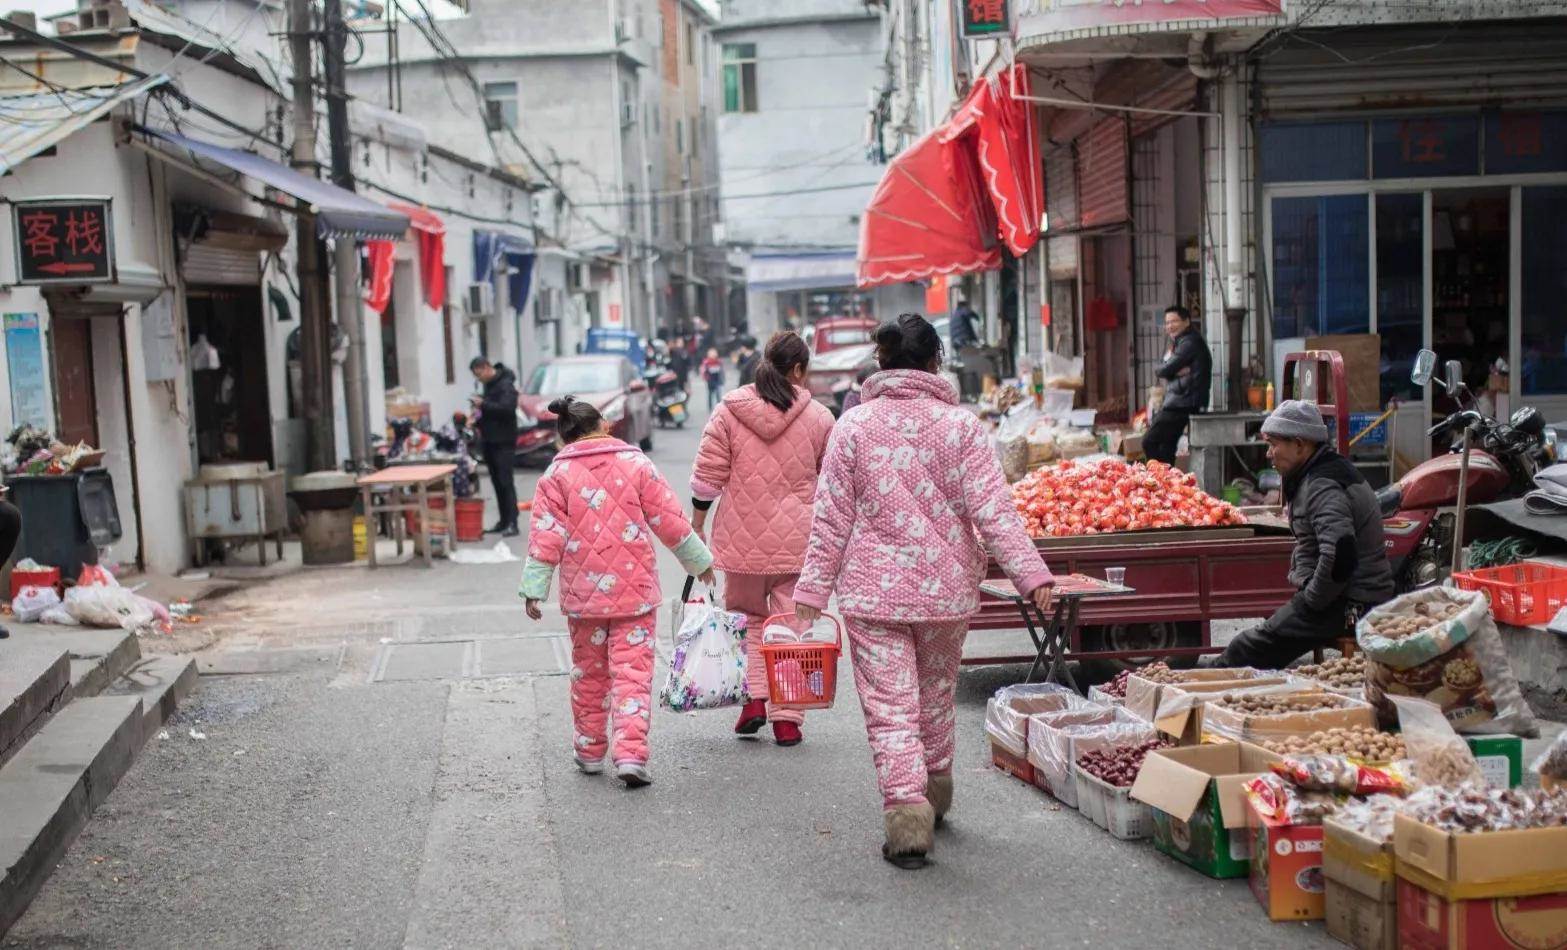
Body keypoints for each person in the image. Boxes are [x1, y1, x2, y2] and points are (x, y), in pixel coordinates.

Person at [794, 314, 1055, 870]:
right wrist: (1033, 577)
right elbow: (995, 513)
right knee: (935, 696)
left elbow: (830, 520)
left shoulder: (854, 427)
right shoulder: (961, 428)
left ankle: (907, 818)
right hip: (944, 594)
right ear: (936, 361)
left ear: (882, 363)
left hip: (873, 597)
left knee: (890, 709)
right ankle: (934, 791)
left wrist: (812, 592)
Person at [519, 396, 716, 788]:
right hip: (635, 596)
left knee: (589, 674)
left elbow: (545, 537)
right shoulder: (636, 464)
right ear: (604, 424)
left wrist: (533, 589)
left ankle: (590, 750)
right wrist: (700, 562)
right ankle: (630, 755)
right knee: (632, 674)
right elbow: (670, 521)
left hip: (583, 600)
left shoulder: (554, 478)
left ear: (563, 437)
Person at [690, 332, 835, 748]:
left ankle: (753, 701)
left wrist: (698, 525)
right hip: (798, 544)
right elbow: (834, 483)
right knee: (791, 628)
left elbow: (706, 479)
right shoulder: (820, 418)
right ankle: (787, 719)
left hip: (741, 545)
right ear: (798, 371)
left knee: (748, 623)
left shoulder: (728, 412)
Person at [1215, 400, 1394, 669]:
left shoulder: (1324, 485)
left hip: (1350, 603)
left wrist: (1310, 601)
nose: (1268, 453)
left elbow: (1341, 557)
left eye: (1273, 444)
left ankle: (1198, 693)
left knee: (1244, 648)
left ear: (1300, 445)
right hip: (1338, 597)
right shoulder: (1317, 472)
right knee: (1263, 635)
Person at [1143, 306, 1212, 465]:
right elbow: (1166, 368)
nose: (1169, 326)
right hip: (1182, 402)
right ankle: (1167, 483)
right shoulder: (1182, 342)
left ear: (1186, 322)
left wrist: (1170, 370)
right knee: (1166, 447)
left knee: (1149, 441)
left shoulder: (1189, 343)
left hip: (1182, 403)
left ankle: (1156, 480)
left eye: (1174, 321)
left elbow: (1164, 369)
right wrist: (1172, 370)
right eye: (1167, 323)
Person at [470, 357, 520, 536]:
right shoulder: (489, 386)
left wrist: (483, 404)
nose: (479, 379)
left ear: (485, 368)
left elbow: (507, 409)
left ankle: (513, 522)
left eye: (479, 374)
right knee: (496, 482)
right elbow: (489, 410)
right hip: (489, 439)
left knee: (506, 482)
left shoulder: (505, 384)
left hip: (504, 441)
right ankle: (503, 520)